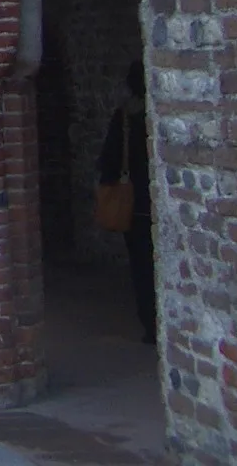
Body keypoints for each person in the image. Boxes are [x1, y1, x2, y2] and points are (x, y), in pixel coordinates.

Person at [97, 60, 156, 343]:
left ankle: (151, 323)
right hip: (156, 201)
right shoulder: (158, 117)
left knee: (143, 268)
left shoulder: (125, 119)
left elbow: (107, 164)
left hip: (136, 206)